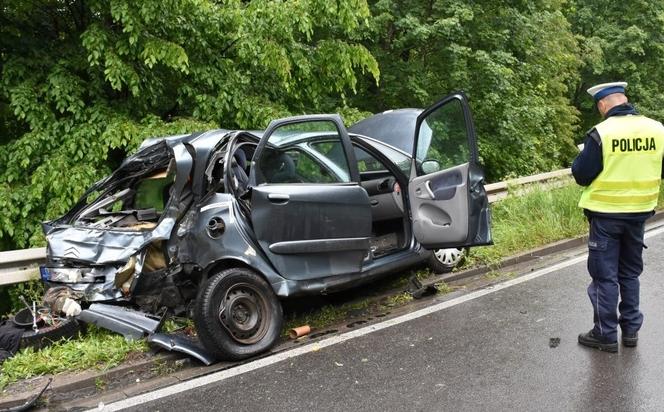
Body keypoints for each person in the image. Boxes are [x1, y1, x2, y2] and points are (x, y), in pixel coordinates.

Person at [572, 81, 664, 352]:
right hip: (639, 216)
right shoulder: (657, 129)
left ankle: (605, 334)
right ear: (624, 99)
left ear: (602, 105)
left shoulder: (602, 133)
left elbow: (581, 174)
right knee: (630, 273)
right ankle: (631, 331)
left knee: (604, 276)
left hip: (606, 217)